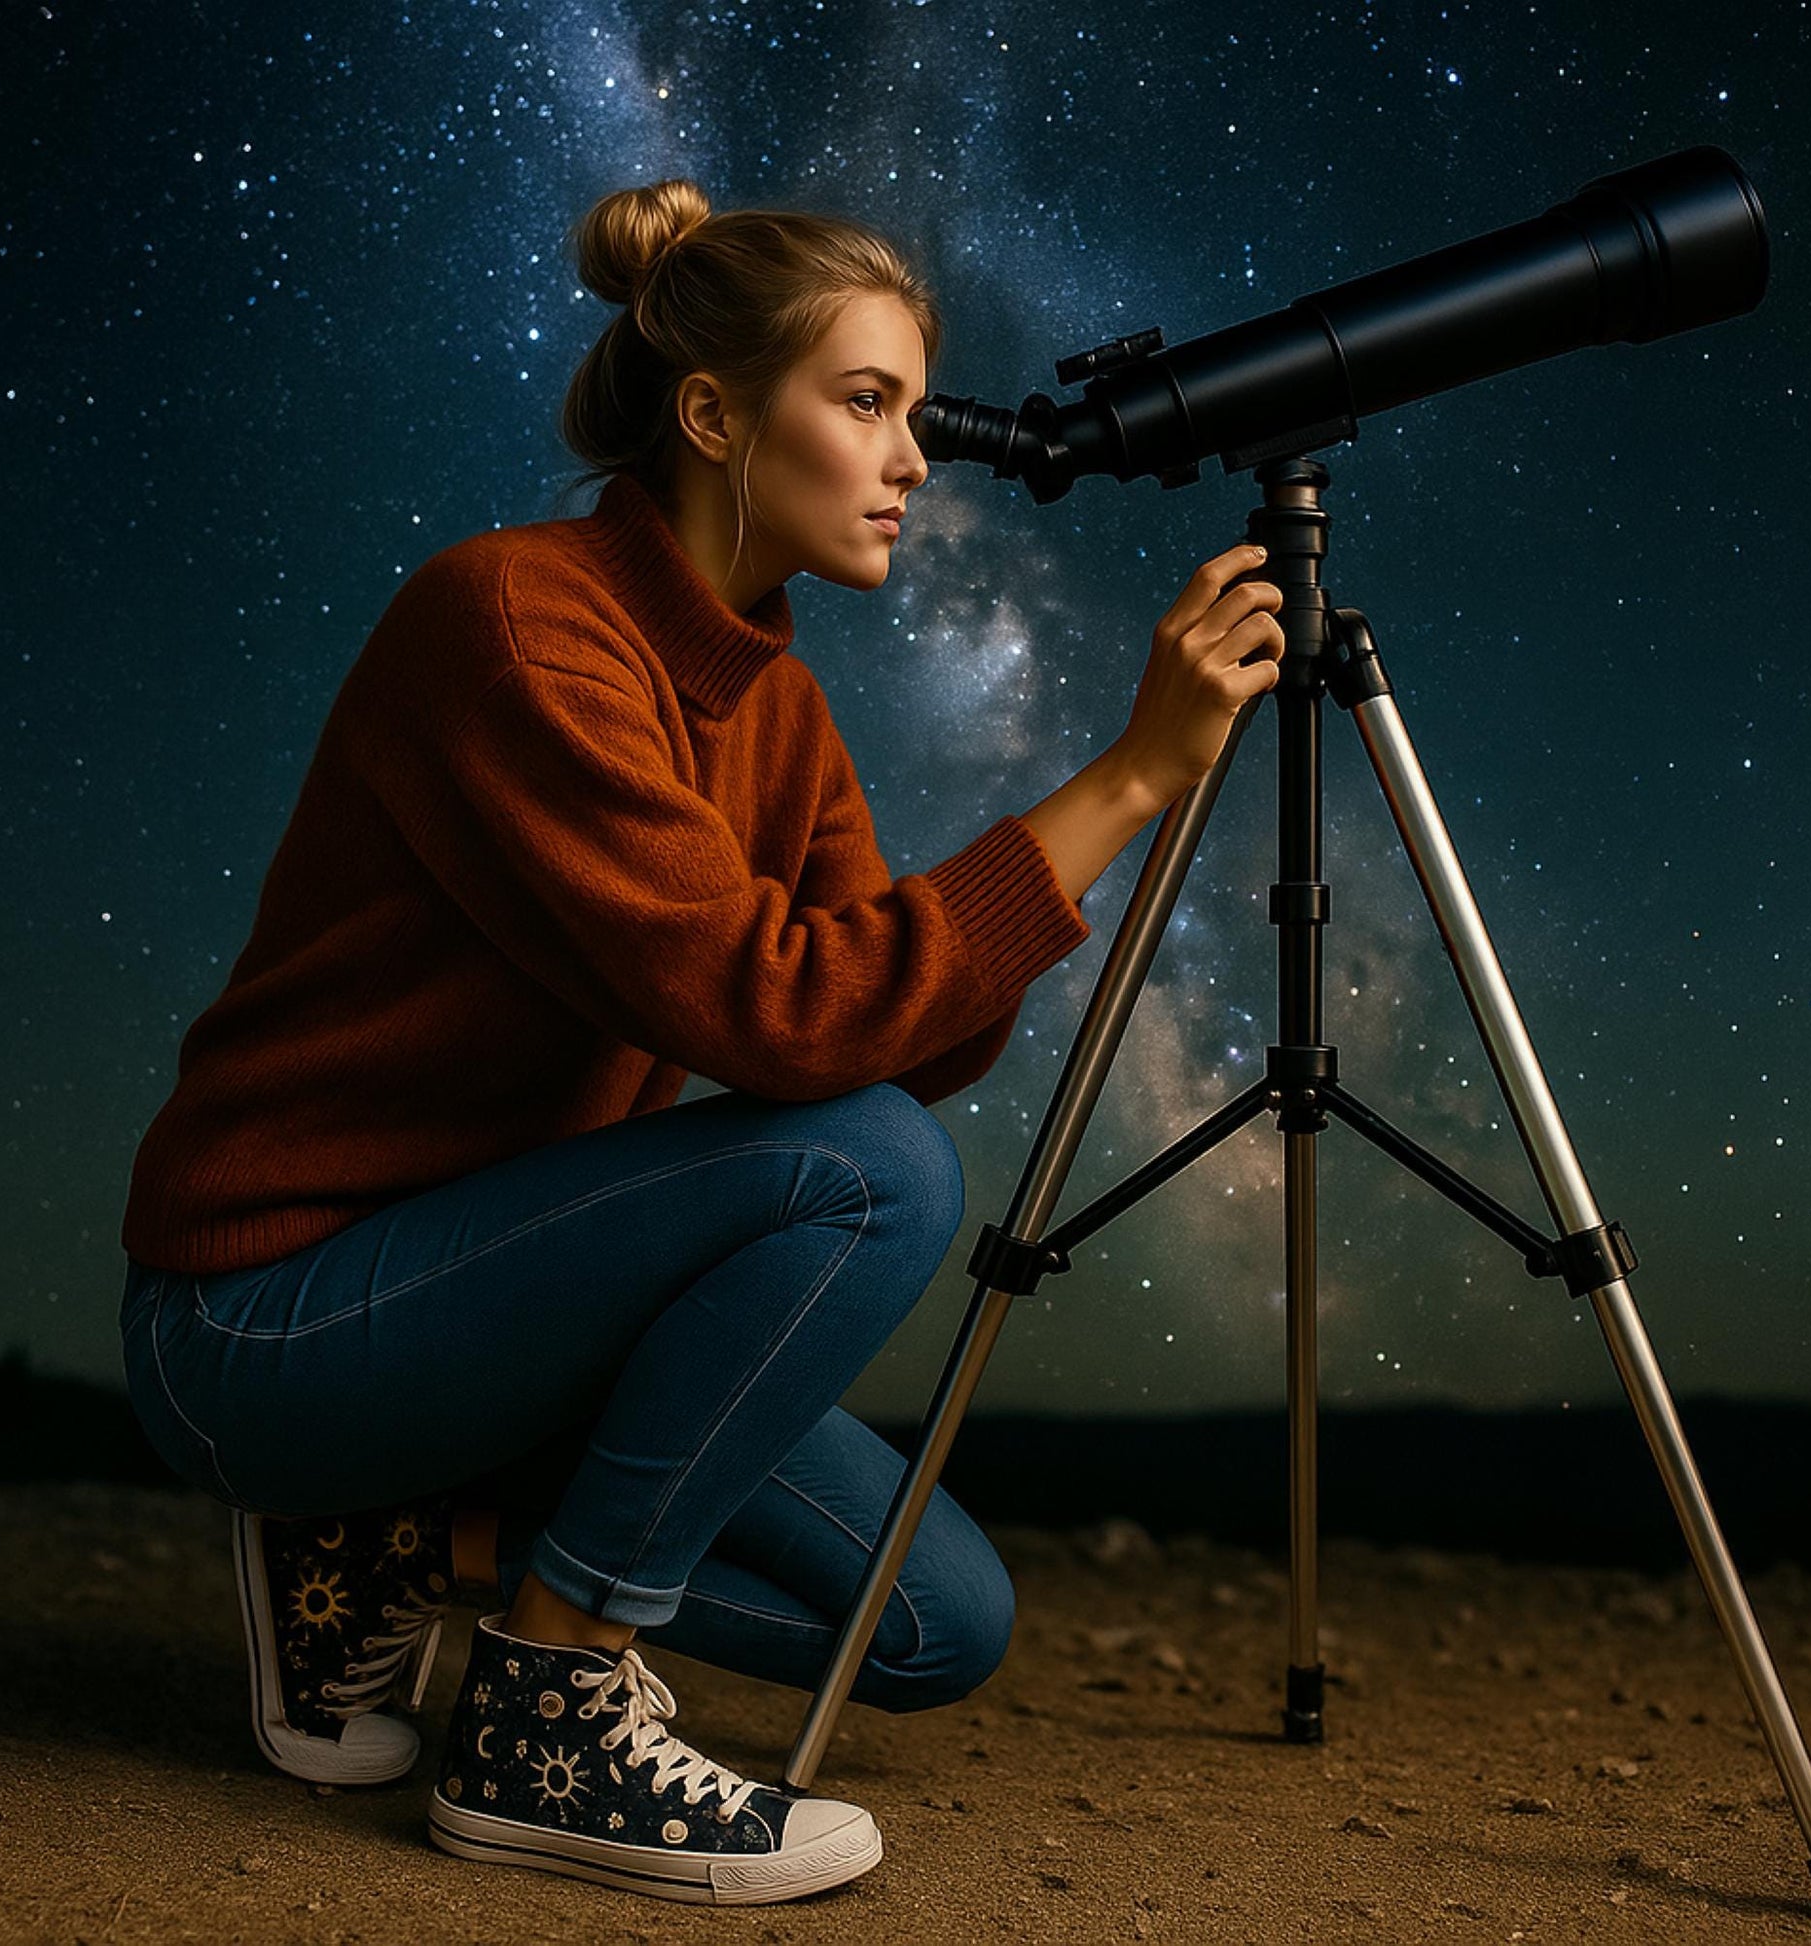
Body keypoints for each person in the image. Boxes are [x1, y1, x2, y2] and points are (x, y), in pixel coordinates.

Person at [115, 175, 1286, 1908]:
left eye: (911, 407)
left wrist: (1007, 891)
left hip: (507, 1306)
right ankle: (545, 1709)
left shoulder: (782, 702)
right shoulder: (515, 626)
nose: (912, 460)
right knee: (871, 1173)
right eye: (864, 402)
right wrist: (1126, 778)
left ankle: (394, 1537)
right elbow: (793, 1019)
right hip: (267, 1314)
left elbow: (885, 1027)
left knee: (930, 1623)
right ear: (716, 414)